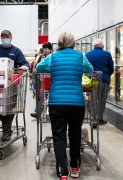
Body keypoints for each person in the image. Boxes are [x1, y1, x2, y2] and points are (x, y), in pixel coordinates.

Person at [36, 32, 93, 180]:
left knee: (59, 136)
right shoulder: (80, 56)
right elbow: (90, 70)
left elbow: (39, 67)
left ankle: (62, 172)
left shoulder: (52, 57)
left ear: (59, 43)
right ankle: (75, 166)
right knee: (74, 135)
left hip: (57, 103)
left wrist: (52, 69)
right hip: (77, 103)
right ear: (74, 43)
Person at [0, 30, 29, 141]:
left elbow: (24, 63)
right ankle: (6, 127)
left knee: (10, 108)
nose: (5, 38)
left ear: (11, 37)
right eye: (3, 36)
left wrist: (24, 67)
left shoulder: (16, 51)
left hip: (12, 85)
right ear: (1, 37)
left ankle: (6, 130)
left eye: (7, 36)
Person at [85, 39, 114, 126]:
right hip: (104, 80)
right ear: (102, 46)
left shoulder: (87, 54)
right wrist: (107, 75)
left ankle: (93, 119)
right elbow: (111, 68)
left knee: (92, 100)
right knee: (102, 100)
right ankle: (100, 118)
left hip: (92, 80)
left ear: (94, 46)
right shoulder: (107, 54)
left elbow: (85, 68)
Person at [31, 42, 53, 118]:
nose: (45, 50)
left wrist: (45, 68)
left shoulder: (53, 56)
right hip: (43, 80)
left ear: (50, 49)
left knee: (51, 97)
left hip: (53, 80)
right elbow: (36, 67)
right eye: (44, 48)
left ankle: (50, 113)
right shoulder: (41, 57)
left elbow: (51, 67)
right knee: (42, 96)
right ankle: (38, 112)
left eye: (46, 48)